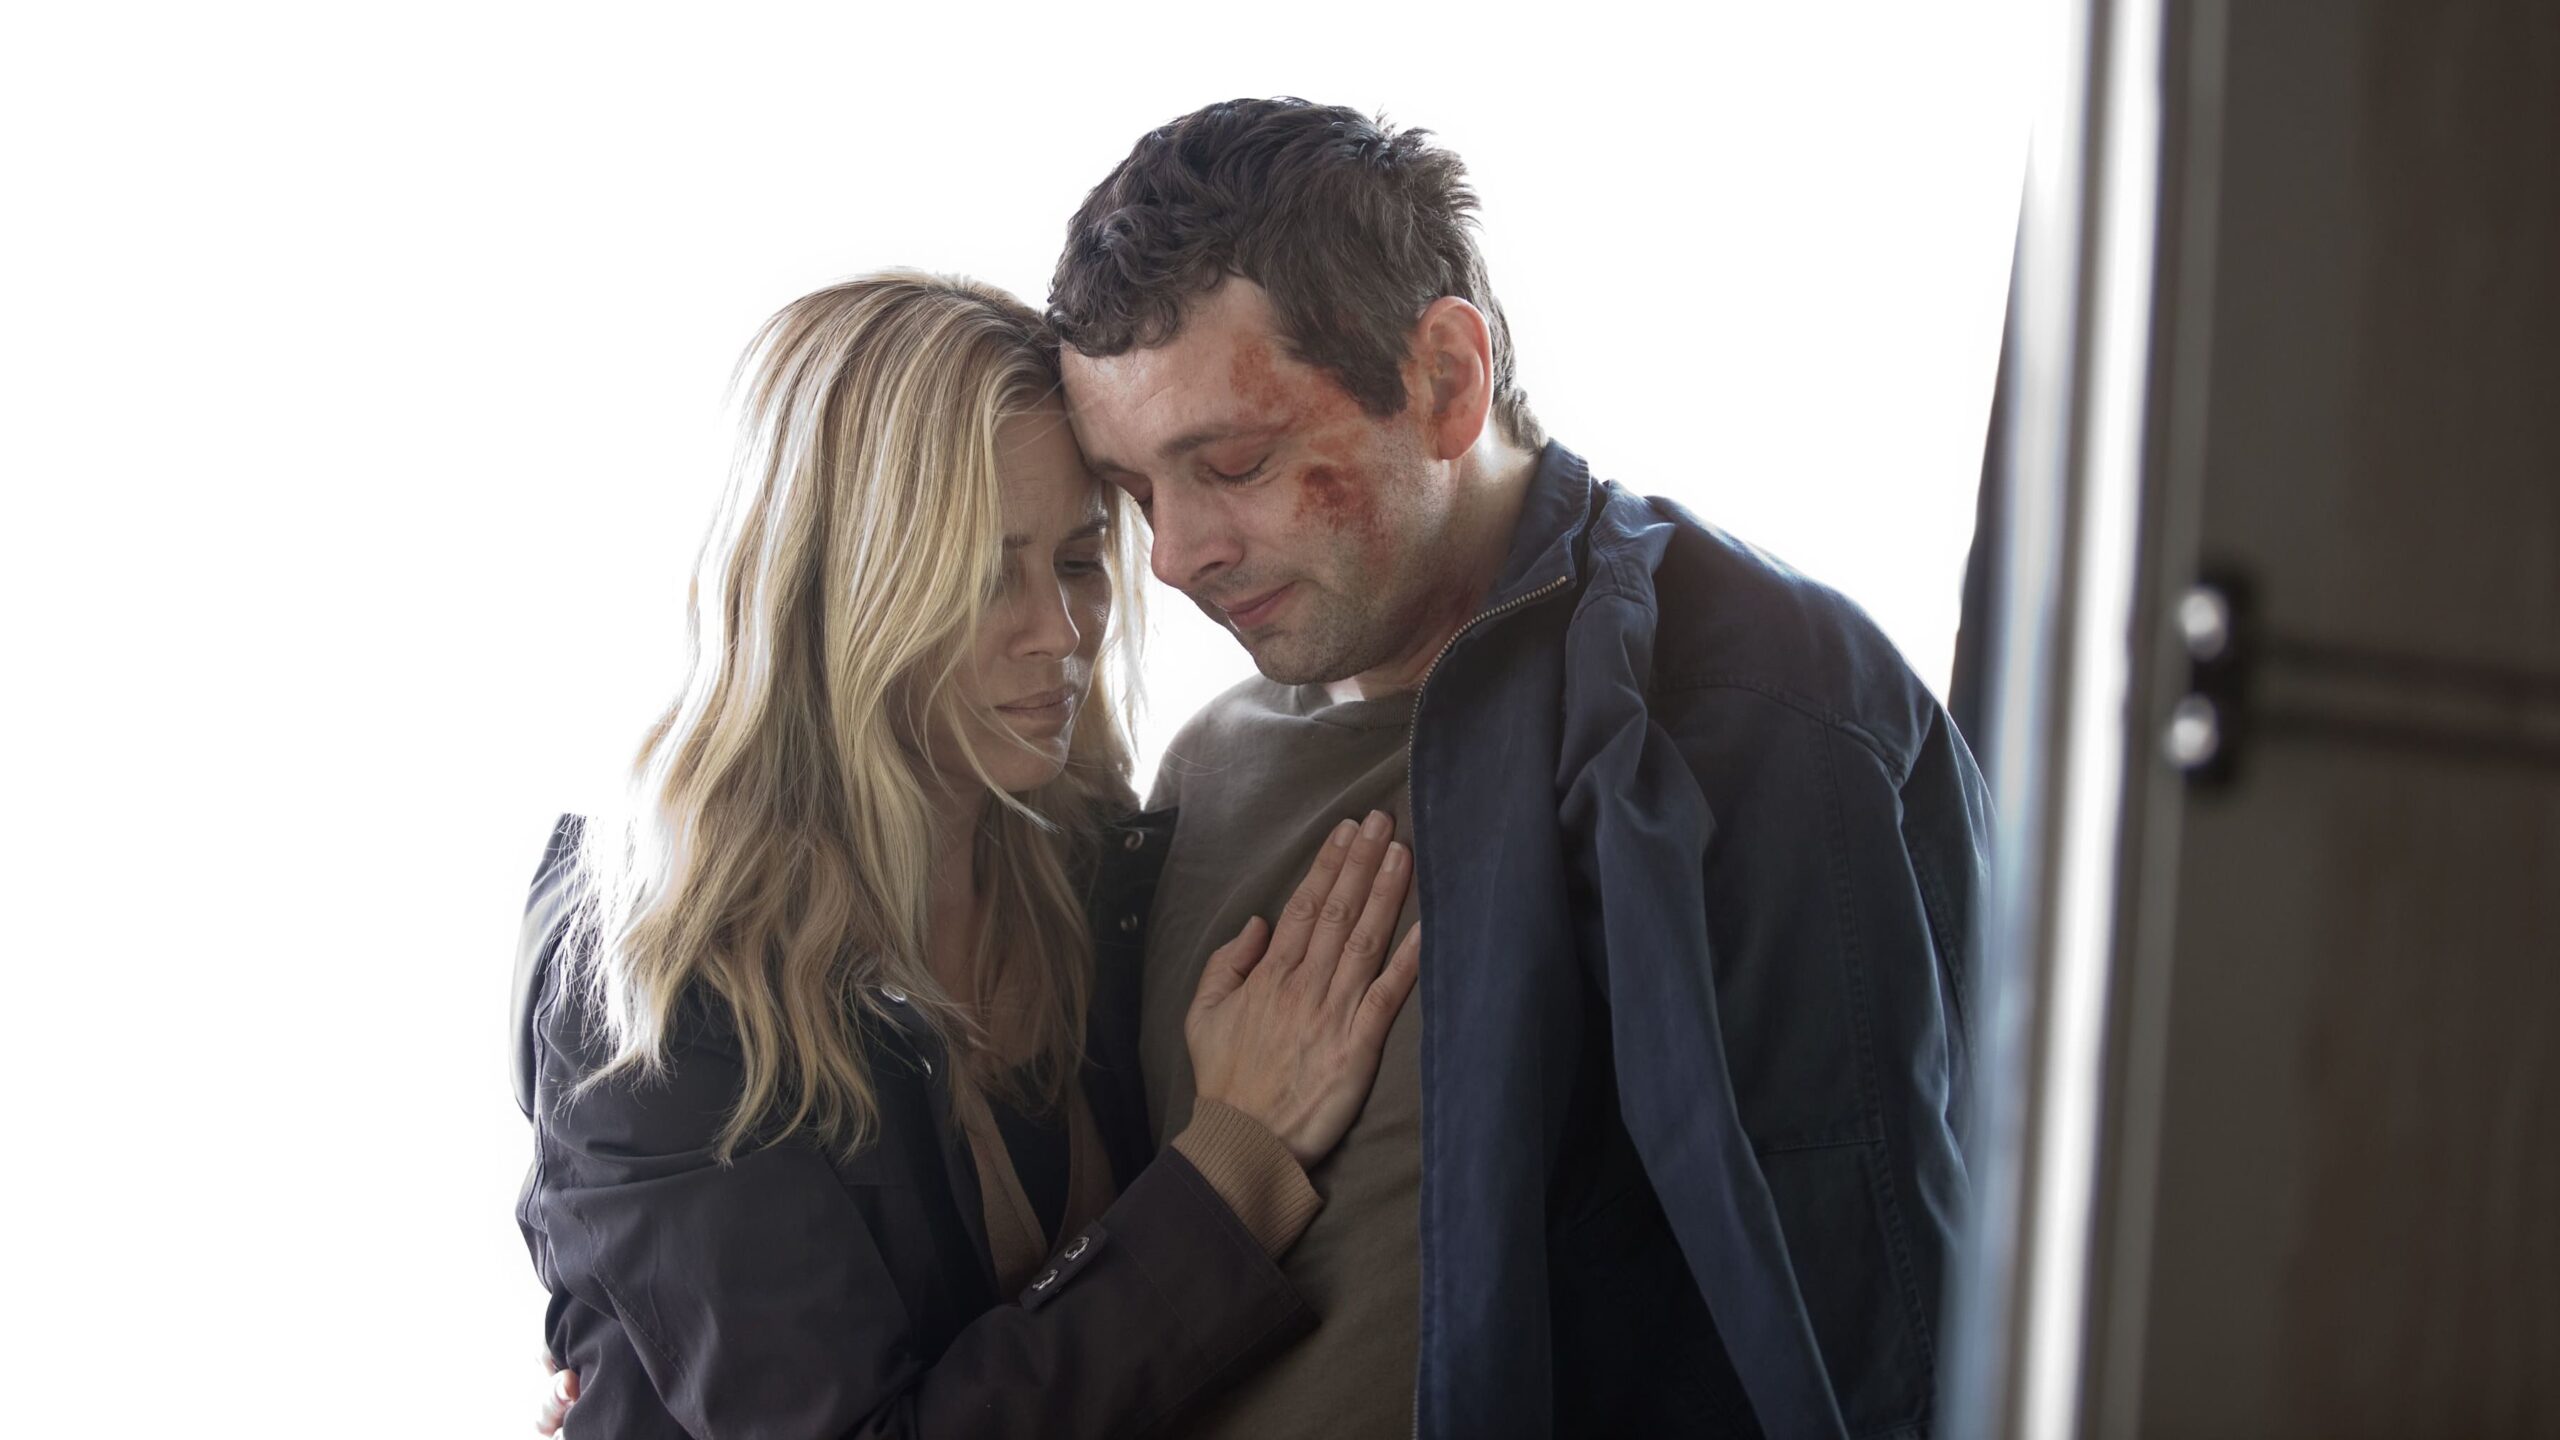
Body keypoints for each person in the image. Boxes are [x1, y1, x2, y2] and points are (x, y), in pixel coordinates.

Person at [1040, 99, 1990, 1439]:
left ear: (1444, 380)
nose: (1178, 553)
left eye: (1235, 464)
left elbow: (1879, 1334)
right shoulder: (1208, 763)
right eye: (1135, 493)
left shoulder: (1754, 702)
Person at [512, 271, 1423, 1438]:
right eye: (986, 575)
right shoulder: (655, 968)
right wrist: (1226, 1170)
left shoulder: (1088, 862)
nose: (1060, 634)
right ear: (831, 589)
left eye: (1079, 561)